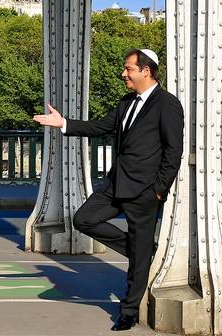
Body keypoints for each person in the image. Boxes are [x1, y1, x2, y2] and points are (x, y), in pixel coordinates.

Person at [34, 48, 183, 332]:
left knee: (137, 262)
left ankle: (128, 312)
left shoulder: (168, 104)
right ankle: (142, 251)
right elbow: (98, 126)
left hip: (144, 192)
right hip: (116, 184)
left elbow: (173, 152)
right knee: (83, 219)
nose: (123, 74)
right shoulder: (126, 102)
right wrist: (63, 123)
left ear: (146, 71)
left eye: (128, 69)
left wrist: (158, 190)